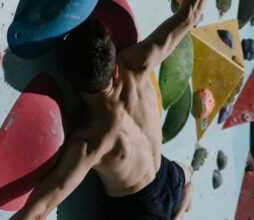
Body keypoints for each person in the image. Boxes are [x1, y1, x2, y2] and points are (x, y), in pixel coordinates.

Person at [11, 0, 206, 219]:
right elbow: (190, 15)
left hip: (141, 211)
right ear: (114, 70)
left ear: (74, 85)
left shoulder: (90, 143)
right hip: (167, 176)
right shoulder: (136, 64)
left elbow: (38, 210)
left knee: (183, 182)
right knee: (188, 175)